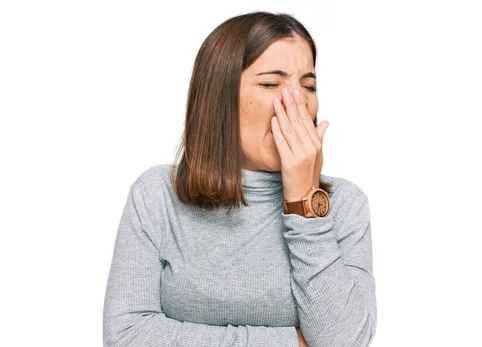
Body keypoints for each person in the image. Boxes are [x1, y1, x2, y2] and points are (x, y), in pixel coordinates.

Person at [102, 11, 377, 347]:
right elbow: (127, 337)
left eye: (308, 85)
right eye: (270, 84)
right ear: (220, 98)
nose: (298, 101)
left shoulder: (344, 205)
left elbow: (346, 341)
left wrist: (304, 200)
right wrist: (291, 343)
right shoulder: (157, 195)